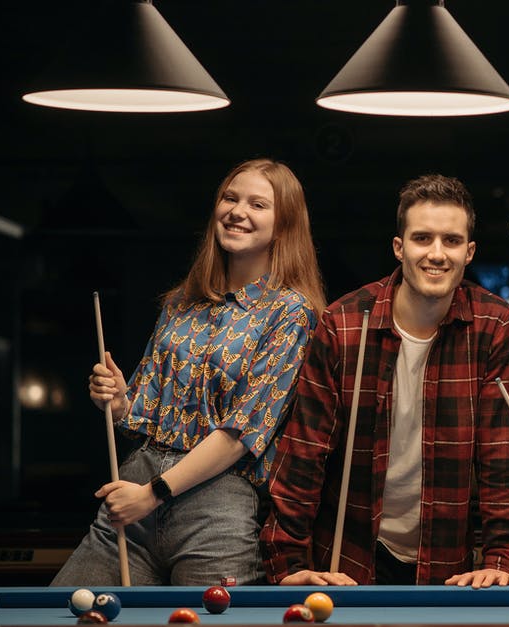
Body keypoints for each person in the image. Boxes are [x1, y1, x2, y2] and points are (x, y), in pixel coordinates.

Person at [53, 158, 326, 586]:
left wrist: (152, 494)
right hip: (137, 488)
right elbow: (140, 418)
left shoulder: (291, 313)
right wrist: (120, 401)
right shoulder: (182, 301)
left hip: (216, 507)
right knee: (71, 611)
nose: (238, 211)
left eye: (258, 204)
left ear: (285, 225)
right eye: (230, 198)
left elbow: (241, 435)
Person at [260, 174, 509, 588]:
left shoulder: (492, 323)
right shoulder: (344, 323)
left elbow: (501, 457)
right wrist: (290, 564)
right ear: (399, 248)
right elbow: (303, 455)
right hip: (345, 560)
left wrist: (499, 558)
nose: (437, 254)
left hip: (447, 564)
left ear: (469, 252)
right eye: (422, 238)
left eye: (451, 241)